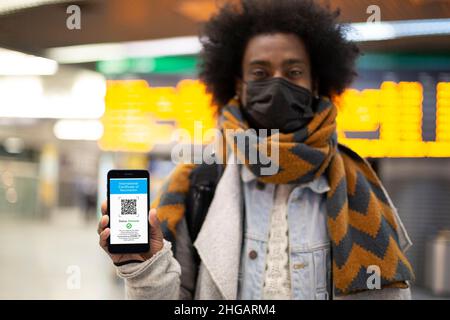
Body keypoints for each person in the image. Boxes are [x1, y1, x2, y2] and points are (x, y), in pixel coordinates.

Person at [98, 0, 414, 300]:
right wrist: (145, 269)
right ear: (238, 84)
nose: (276, 85)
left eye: (293, 72)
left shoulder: (358, 189)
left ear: (315, 83)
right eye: (260, 73)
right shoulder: (196, 183)